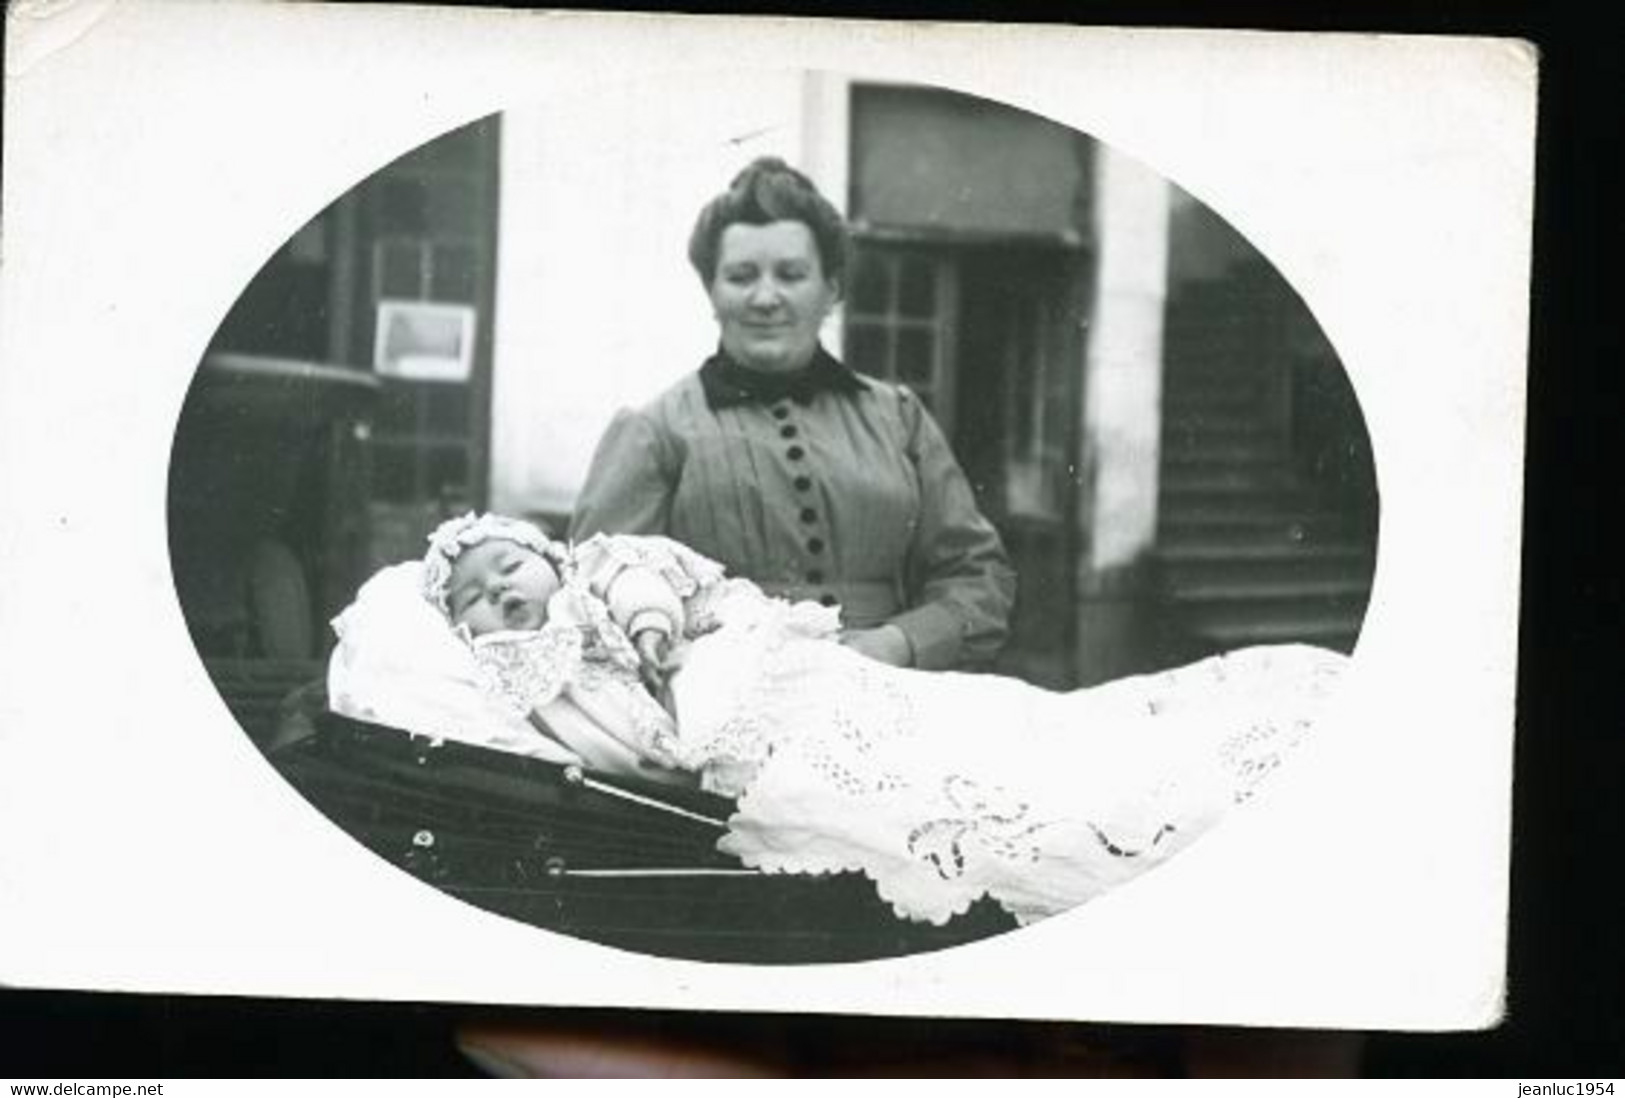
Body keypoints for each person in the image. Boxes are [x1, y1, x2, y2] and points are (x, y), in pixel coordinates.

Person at [331, 512, 1347, 928]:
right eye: (472, 597)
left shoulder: (600, 572)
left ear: (548, 551)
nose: (499, 592)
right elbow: (582, 746)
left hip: (821, 684)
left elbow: (652, 580)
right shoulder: (526, 675)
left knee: (1025, 739)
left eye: (508, 565)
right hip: (740, 756)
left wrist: (651, 627)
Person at [569, 156, 1015, 673]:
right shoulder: (652, 433)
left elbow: (978, 576)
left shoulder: (898, 418)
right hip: (719, 706)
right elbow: (594, 591)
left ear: (831, 291)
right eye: (740, 276)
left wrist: (901, 643)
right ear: (712, 292)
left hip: (889, 693)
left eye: (791, 274)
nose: (765, 297)